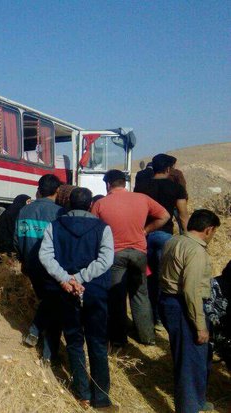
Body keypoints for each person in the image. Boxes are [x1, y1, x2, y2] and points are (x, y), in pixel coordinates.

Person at [39, 187, 116, 411]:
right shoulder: (103, 228)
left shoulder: (55, 226)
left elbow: (45, 255)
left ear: (69, 204)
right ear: (91, 204)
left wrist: (66, 279)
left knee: (74, 342)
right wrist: (81, 277)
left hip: (66, 292)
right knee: (97, 343)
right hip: (95, 292)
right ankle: (101, 398)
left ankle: (82, 395)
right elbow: (106, 260)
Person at [91, 169, 170, 347]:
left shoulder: (101, 204)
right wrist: (146, 230)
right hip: (139, 253)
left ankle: (118, 339)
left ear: (108, 184)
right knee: (140, 294)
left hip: (115, 254)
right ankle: (147, 337)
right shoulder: (142, 198)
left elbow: (93, 229)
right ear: (124, 183)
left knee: (116, 297)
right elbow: (165, 215)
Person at [159, 209, 221, 413]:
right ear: (208, 229)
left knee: (195, 357)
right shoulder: (196, 251)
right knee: (190, 360)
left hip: (169, 301)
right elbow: (191, 290)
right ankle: (189, 407)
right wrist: (200, 325)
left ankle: (198, 400)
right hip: (184, 306)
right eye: (213, 233)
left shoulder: (174, 241)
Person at [14, 174, 65, 361]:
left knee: (48, 301)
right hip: (50, 268)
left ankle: (37, 335)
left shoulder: (24, 211)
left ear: (39, 189)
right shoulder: (59, 213)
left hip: (30, 266)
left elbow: (16, 239)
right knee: (54, 304)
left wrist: (23, 260)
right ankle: (47, 353)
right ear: (57, 191)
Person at [135, 154, 189, 327]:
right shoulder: (176, 188)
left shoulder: (141, 187)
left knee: (146, 278)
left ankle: (147, 316)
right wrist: (187, 238)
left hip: (144, 235)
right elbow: (183, 216)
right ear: (167, 169)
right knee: (164, 278)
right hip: (164, 235)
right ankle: (160, 318)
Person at [0, 194, 31, 261]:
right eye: (28, 202)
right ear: (22, 201)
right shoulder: (18, 212)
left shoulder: (11, 210)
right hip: (5, 247)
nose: (30, 204)